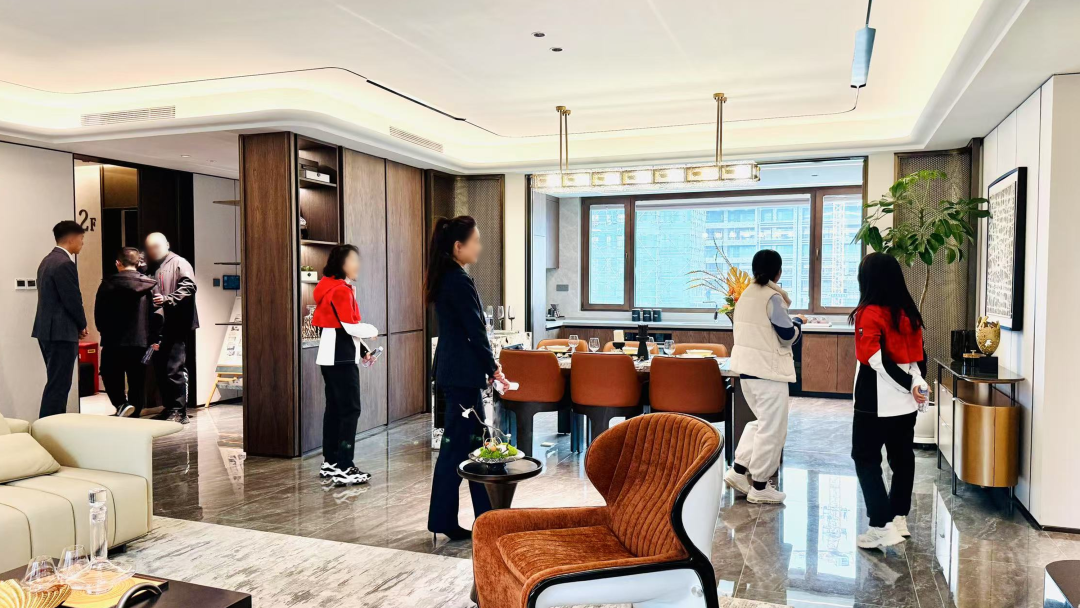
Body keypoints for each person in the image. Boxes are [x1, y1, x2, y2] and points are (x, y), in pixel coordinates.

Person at [425, 215, 509, 542]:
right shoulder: (457, 280)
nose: (479, 246)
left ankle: (482, 519)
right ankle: (452, 519)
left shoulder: (448, 276)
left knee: (473, 447)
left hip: (458, 373)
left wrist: (488, 367)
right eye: (475, 241)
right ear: (458, 246)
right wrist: (493, 367)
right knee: (460, 450)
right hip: (460, 375)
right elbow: (475, 331)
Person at [849, 252, 928, 550]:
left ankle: (881, 525)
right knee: (902, 457)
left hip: (874, 399)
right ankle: (898, 517)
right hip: (905, 404)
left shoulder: (869, 312)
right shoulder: (908, 312)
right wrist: (915, 383)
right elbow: (918, 359)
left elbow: (875, 360)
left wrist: (908, 384)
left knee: (865, 457)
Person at [726, 249, 805, 504]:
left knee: (762, 423)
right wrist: (798, 324)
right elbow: (787, 335)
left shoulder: (745, 296)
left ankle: (738, 471)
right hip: (768, 373)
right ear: (778, 272)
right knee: (773, 429)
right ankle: (760, 486)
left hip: (746, 372)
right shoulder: (772, 297)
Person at [311, 244, 379, 486]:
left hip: (331, 357)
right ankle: (345, 466)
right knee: (350, 411)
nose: (357, 264)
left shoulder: (329, 287)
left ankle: (330, 462)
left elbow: (338, 328)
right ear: (341, 264)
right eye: (353, 260)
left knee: (334, 410)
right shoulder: (341, 290)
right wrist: (372, 330)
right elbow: (350, 326)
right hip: (340, 359)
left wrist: (363, 350)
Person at [94, 247, 163, 418]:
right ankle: (134, 414)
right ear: (138, 263)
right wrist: (154, 337)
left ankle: (121, 404)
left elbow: (99, 313)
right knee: (137, 379)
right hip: (140, 341)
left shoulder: (107, 284)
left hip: (113, 340)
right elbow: (155, 315)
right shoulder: (149, 285)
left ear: (118, 263)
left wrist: (104, 331)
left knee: (109, 374)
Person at [32, 220, 89, 418]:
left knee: (55, 382)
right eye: (81, 238)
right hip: (61, 332)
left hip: (46, 330)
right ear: (71, 239)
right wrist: (82, 324)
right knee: (59, 385)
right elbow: (72, 299)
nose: (82, 243)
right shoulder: (65, 263)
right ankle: (50, 427)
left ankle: (50, 425)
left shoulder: (47, 260)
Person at [144, 232, 199, 424]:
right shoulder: (152, 266)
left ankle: (179, 411)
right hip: (158, 326)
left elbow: (189, 287)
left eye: (156, 246)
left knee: (174, 368)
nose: (153, 251)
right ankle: (169, 408)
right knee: (160, 368)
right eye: (150, 248)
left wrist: (168, 299)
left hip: (176, 325)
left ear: (167, 244)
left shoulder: (179, 263)